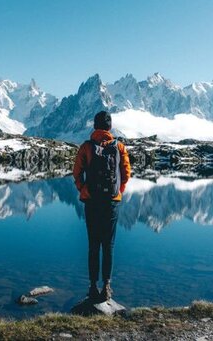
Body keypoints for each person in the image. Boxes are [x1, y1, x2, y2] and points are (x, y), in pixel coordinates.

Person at [72, 111, 132, 302]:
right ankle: (107, 286)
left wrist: (83, 189)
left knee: (93, 245)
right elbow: (126, 174)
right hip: (111, 203)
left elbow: (77, 172)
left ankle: (92, 286)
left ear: (94, 126)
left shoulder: (87, 147)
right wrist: (117, 192)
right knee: (109, 245)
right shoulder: (119, 147)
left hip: (91, 202)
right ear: (110, 127)